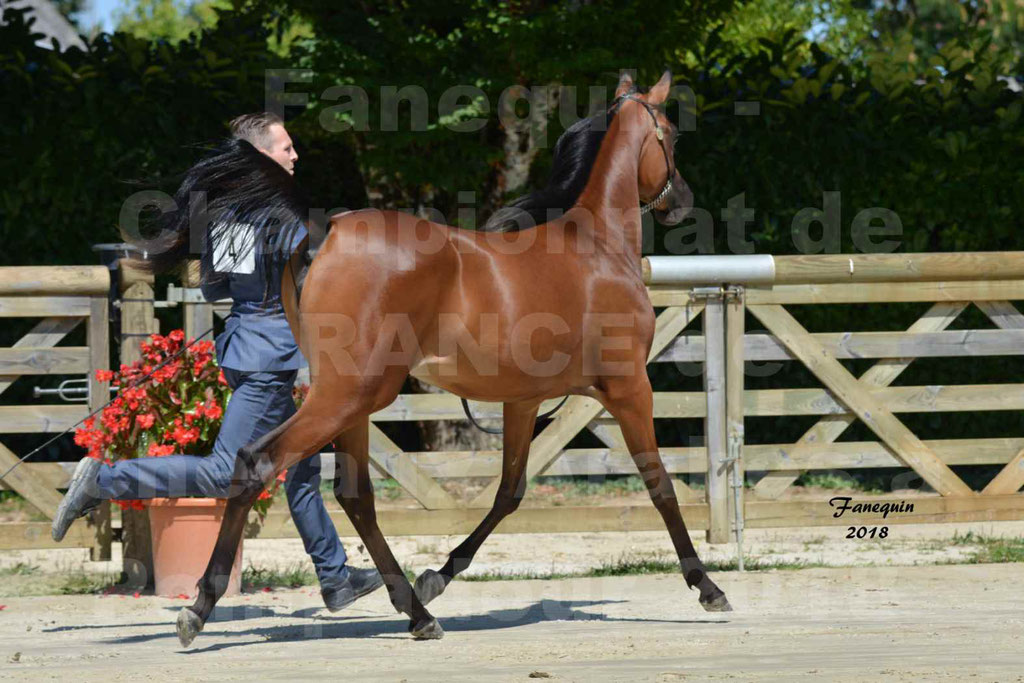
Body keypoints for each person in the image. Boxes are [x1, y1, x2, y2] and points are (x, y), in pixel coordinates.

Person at [52, 112, 382, 612]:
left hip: (252, 349)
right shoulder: (289, 219)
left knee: (302, 472)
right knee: (223, 474)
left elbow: (216, 288)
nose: (296, 156)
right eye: (286, 148)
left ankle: (336, 579)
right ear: (261, 156)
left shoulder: (229, 217)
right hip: (271, 360)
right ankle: (103, 479)